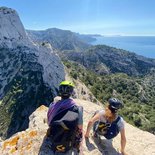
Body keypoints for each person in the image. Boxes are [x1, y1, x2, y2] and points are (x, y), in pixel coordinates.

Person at [46, 80, 83, 155]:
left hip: (54, 137)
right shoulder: (77, 109)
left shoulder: (52, 106)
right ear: (71, 92)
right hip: (68, 140)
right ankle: (78, 145)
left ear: (60, 91)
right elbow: (80, 127)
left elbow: (49, 123)